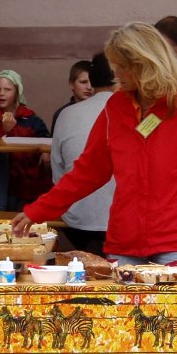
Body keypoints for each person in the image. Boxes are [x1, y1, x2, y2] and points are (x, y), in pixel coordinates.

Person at [12, 22, 177, 265]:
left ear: (145, 65)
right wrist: (38, 210)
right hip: (125, 242)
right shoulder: (115, 107)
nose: (115, 74)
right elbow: (87, 171)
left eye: (122, 67)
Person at [51, 62, 116, 254]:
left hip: (76, 218)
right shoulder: (134, 112)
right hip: (122, 222)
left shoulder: (66, 114)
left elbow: (57, 174)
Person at [0, 70, 53, 209]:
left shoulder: (30, 118)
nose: (1, 93)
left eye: (7, 89)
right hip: (4, 180)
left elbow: (45, 136)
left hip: (29, 177)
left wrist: (45, 152)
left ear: (17, 93)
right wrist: (4, 129)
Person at [50, 60, 95, 133]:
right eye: (83, 82)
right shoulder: (62, 114)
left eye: (93, 82)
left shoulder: (103, 112)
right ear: (71, 84)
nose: (89, 87)